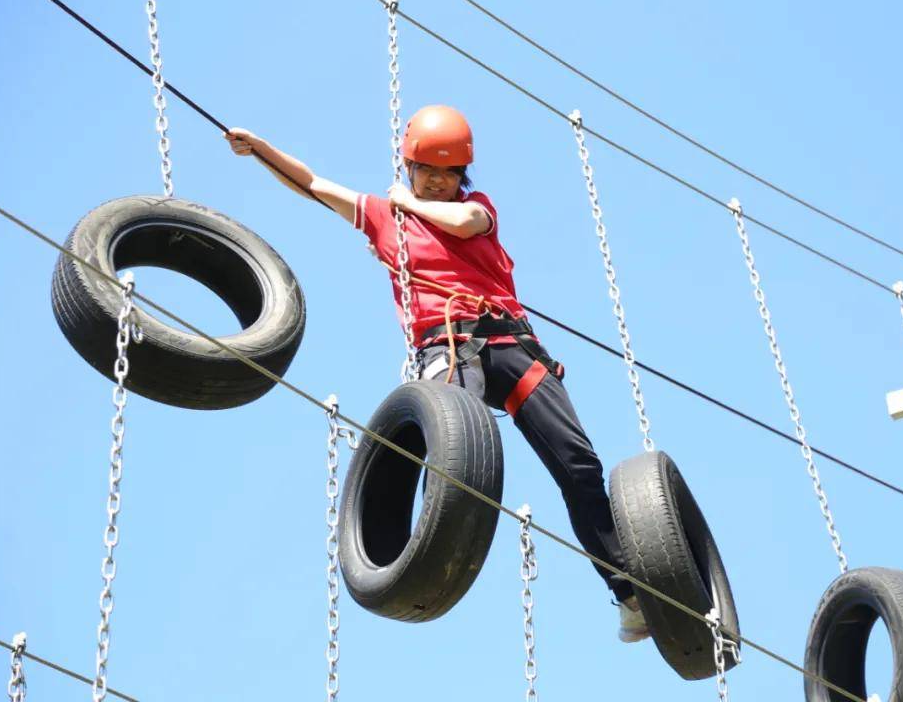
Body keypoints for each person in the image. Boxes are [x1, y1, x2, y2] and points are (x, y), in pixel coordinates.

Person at [225, 104, 649, 643]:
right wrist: (259, 148)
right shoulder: (386, 219)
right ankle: (428, 553)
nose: (439, 182)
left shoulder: (476, 208)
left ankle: (631, 594)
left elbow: (467, 223)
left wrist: (408, 202)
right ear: (410, 167)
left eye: (449, 174)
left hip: (512, 343)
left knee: (579, 465)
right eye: (427, 171)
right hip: (447, 342)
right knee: (456, 450)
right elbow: (313, 185)